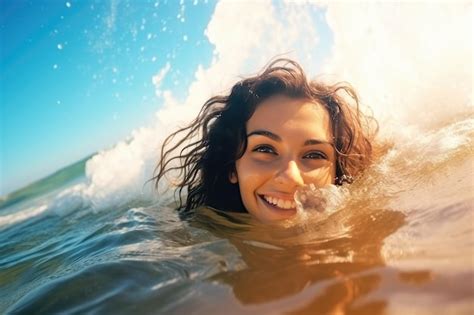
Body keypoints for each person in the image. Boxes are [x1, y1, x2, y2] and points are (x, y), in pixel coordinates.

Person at [153, 58, 376, 222]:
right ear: (232, 167)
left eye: (314, 154)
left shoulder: (371, 243)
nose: (291, 177)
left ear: (338, 174)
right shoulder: (193, 251)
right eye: (266, 149)